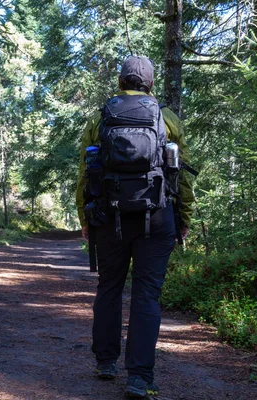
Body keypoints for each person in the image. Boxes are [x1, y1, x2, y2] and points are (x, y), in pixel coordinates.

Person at [75, 55, 196, 398]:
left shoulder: (101, 117)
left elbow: (85, 173)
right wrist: (182, 220)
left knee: (109, 286)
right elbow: (183, 178)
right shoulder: (167, 118)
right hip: (158, 216)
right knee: (147, 293)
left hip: (109, 215)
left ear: (120, 82)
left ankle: (105, 362)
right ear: (151, 84)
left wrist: (86, 219)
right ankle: (140, 378)